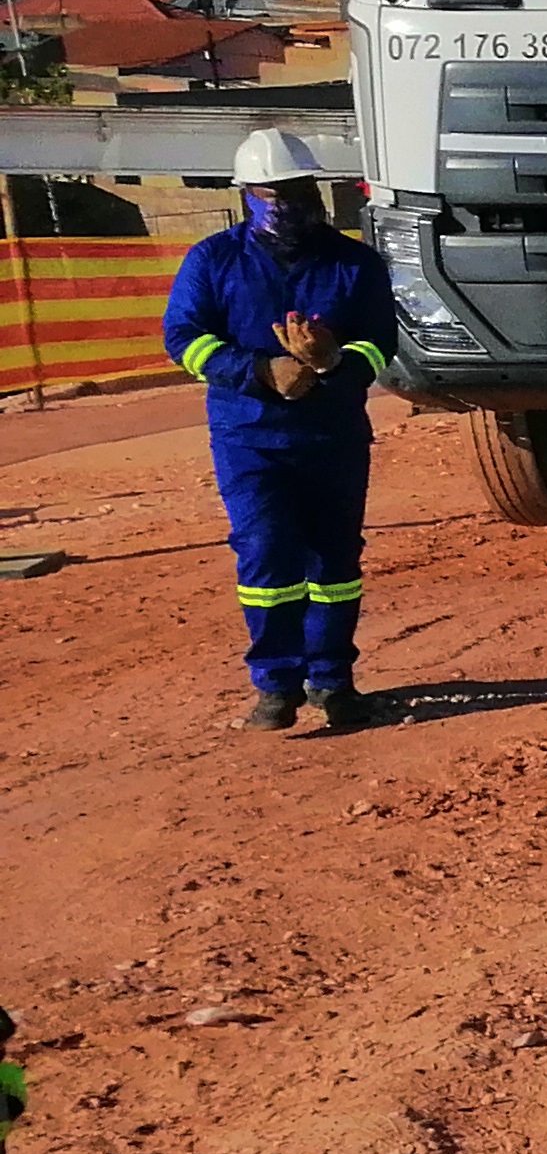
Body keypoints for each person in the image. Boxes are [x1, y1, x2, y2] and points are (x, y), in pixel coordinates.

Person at [166, 127, 403, 735]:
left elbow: (381, 343)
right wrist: (258, 371)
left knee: (336, 563)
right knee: (266, 556)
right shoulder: (212, 260)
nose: (286, 204)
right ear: (248, 195)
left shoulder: (355, 263)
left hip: (333, 439)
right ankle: (275, 687)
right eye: (271, 194)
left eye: (297, 191)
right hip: (249, 440)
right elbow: (183, 339)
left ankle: (333, 682)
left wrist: (331, 363)